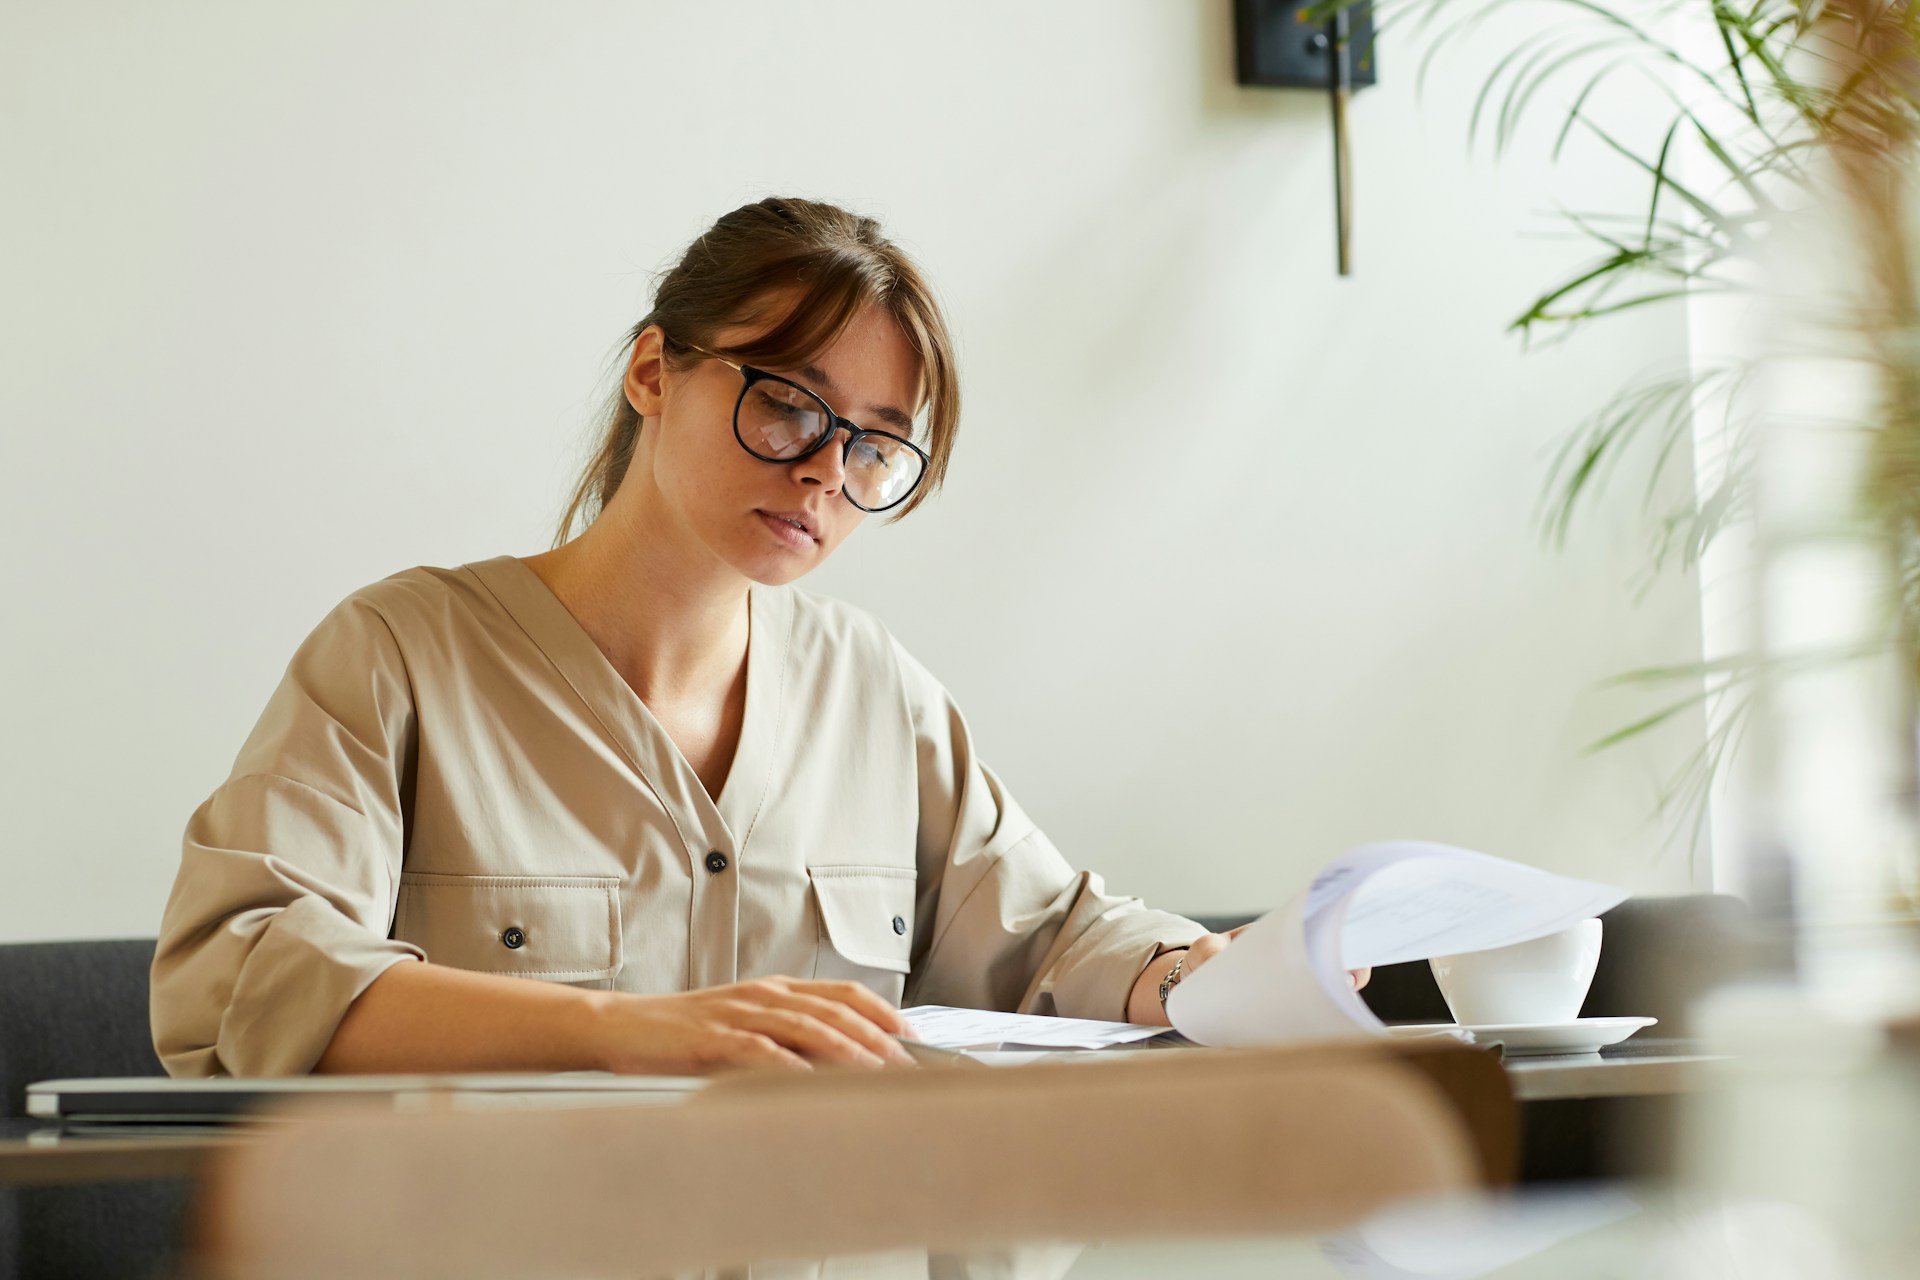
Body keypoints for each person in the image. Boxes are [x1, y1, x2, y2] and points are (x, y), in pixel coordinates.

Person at [149, 197, 1314, 1079]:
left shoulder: (873, 693)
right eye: (789, 402)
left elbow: (1052, 934)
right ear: (655, 371)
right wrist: (620, 1030)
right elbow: (238, 968)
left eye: (872, 444)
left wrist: (1190, 968)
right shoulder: (401, 656)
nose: (824, 467)